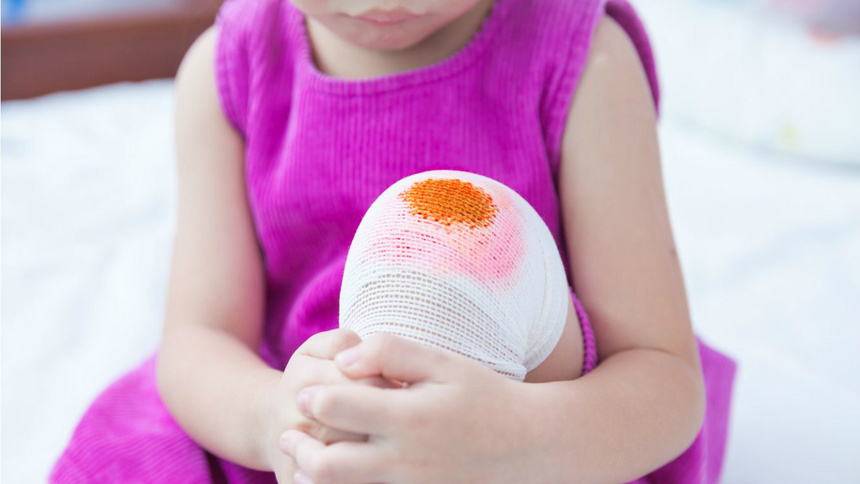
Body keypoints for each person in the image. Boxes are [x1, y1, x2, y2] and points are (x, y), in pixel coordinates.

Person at [50, 0, 737, 483]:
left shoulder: (585, 59)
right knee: (132, 445)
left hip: (524, 417)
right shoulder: (228, 67)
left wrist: (511, 442)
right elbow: (199, 342)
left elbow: (662, 379)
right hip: (300, 404)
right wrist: (277, 422)